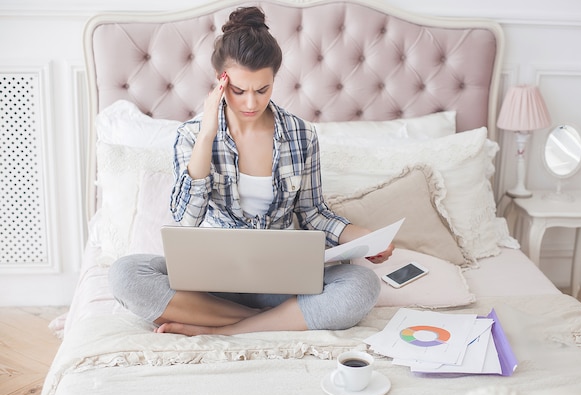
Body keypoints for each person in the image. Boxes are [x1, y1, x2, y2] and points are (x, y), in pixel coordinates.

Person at [109, 6, 393, 336]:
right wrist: (207, 136)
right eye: (239, 90)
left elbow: (314, 213)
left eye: (262, 90)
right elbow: (186, 220)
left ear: (274, 80)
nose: (250, 104)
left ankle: (221, 328)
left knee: (362, 285)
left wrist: (368, 240)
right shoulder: (191, 136)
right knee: (125, 275)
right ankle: (263, 320)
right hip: (212, 281)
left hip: (282, 280)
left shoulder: (301, 135)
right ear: (221, 81)